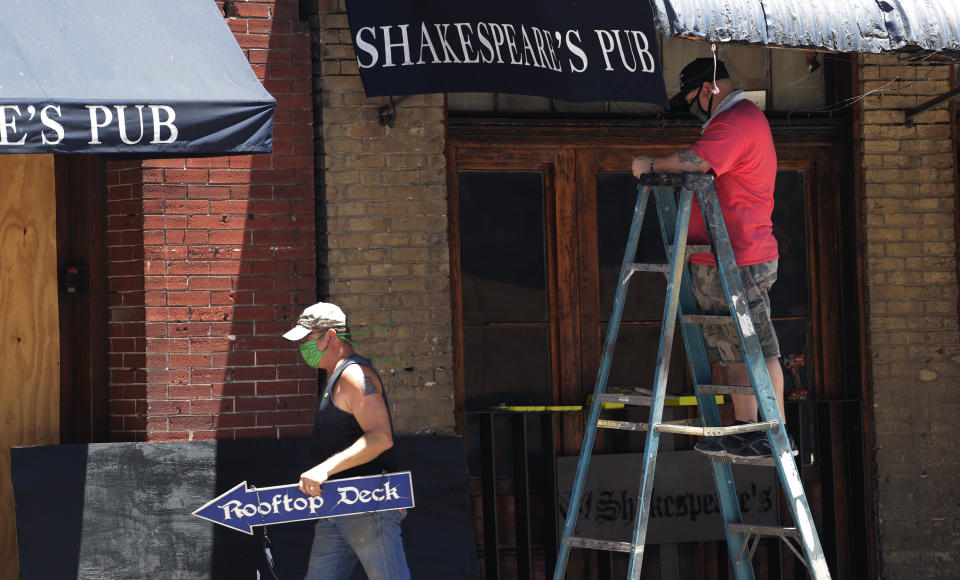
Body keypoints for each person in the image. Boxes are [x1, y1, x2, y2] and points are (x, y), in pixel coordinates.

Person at [630, 58, 795, 459]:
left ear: (708, 89)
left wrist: (649, 165)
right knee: (730, 347)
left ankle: (774, 433)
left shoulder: (738, 119)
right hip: (716, 258)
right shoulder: (733, 120)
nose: (695, 110)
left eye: (692, 101)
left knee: (757, 344)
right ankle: (744, 428)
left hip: (739, 257)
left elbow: (696, 160)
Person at [283, 302, 410, 580]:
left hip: (368, 504)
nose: (302, 345)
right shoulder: (336, 376)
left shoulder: (355, 375)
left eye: (307, 338)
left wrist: (323, 469)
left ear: (330, 336)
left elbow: (380, 438)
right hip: (336, 504)